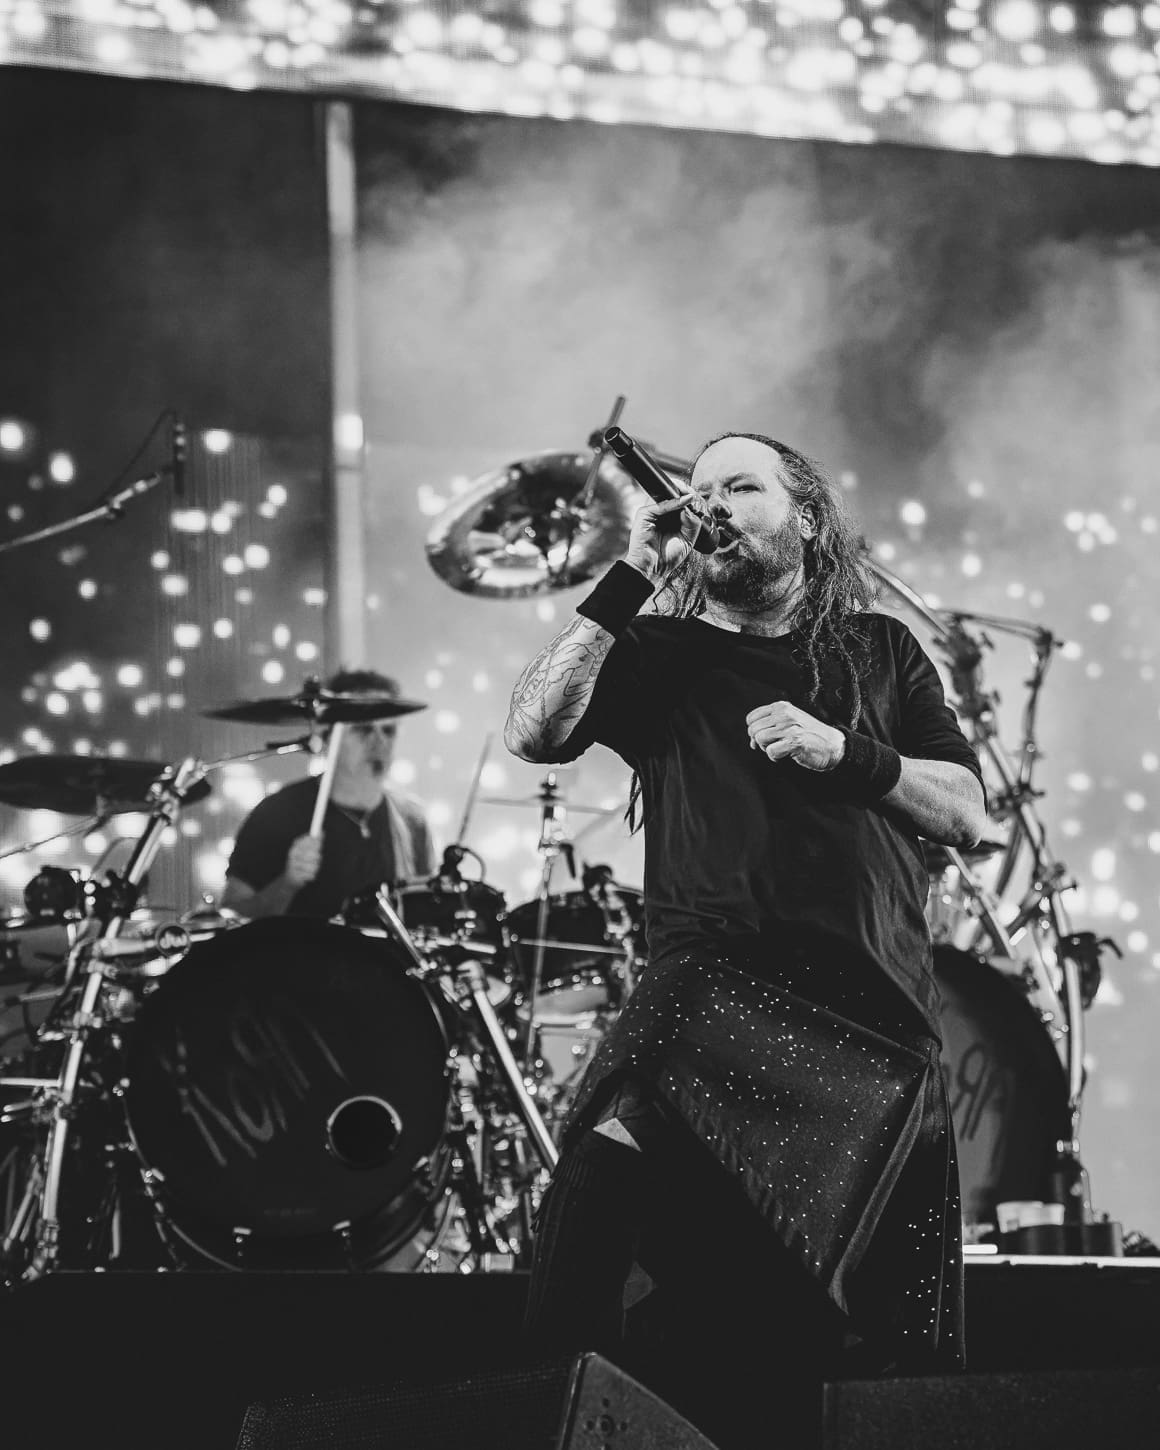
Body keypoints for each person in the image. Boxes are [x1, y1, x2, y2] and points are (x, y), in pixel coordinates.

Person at [504, 433, 987, 1449]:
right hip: (709, 984)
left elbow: (964, 811)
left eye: (739, 485)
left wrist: (843, 751)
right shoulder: (659, 651)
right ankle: (550, 1416)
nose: (711, 503)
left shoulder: (880, 649)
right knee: (600, 1176)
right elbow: (535, 731)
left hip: (867, 1013)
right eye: (700, 490)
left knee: (836, 1324)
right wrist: (631, 574)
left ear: (805, 517)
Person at [222, 668, 435, 920]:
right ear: (328, 737)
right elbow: (233, 916)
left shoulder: (411, 821)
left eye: (388, 731)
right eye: (363, 730)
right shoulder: (278, 814)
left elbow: (426, 919)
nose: (379, 742)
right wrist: (288, 882)